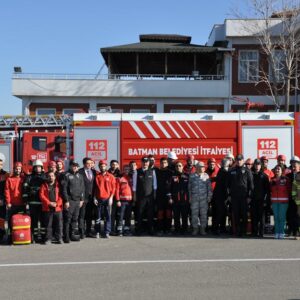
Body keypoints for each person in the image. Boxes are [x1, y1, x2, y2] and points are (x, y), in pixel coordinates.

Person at [227, 154, 253, 237]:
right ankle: (237, 231)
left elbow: (251, 185)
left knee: (244, 214)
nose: (239, 161)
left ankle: (244, 231)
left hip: (244, 197)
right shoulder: (231, 170)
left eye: (240, 160)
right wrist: (229, 195)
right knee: (236, 214)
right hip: (234, 197)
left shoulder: (247, 171)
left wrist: (249, 196)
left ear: (243, 160)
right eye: (237, 160)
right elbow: (228, 185)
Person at [23, 159, 46, 243]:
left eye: (39, 167)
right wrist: (26, 201)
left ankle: (43, 237)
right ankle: (35, 237)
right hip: (33, 202)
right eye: (36, 167)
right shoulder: (29, 177)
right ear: (33, 168)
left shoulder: (45, 176)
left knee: (43, 221)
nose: (37, 169)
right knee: (34, 221)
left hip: (43, 203)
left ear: (42, 167)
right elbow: (25, 190)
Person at [133, 156, 157, 235]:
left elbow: (155, 185)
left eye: (146, 162)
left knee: (150, 214)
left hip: (150, 197)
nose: (145, 163)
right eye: (143, 162)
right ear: (141, 162)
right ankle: (139, 230)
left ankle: (151, 230)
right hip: (140, 197)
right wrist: (135, 196)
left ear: (149, 163)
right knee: (140, 213)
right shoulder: (137, 172)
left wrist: (154, 195)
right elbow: (134, 186)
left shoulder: (152, 171)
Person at [62, 161, 85, 243]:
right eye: (73, 166)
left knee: (75, 219)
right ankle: (66, 236)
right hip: (70, 201)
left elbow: (82, 189)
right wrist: (66, 201)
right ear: (70, 166)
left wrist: (82, 199)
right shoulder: (67, 175)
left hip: (77, 201)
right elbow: (64, 189)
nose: (75, 167)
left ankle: (72, 235)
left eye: (76, 166)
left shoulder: (80, 176)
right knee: (68, 219)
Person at [188, 162, 212, 236]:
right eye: (201, 167)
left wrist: (209, 197)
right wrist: (190, 197)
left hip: (204, 200)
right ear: (197, 167)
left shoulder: (206, 176)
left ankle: (202, 229)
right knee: (194, 215)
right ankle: (195, 229)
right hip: (194, 199)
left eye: (203, 167)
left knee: (203, 215)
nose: (203, 168)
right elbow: (189, 188)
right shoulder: (192, 176)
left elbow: (209, 188)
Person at [39, 171, 63, 244]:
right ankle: (48, 239)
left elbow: (61, 196)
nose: (51, 177)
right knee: (48, 225)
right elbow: (41, 196)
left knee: (59, 224)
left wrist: (57, 204)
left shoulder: (58, 185)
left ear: (55, 177)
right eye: (49, 176)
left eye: (52, 176)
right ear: (47, 177)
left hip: (57, 208)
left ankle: (59, 238)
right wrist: (49, 203)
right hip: (47, 208)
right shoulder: (43, 185)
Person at [94, 160, 116, 238]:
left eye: (104, 166)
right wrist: (94, 198)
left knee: (107, 217)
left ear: (106, 166)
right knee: (98, 217)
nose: (102, 167)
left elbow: (113, 188)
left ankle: (107, 232)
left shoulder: (111, 176)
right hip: (99, 199)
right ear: (99, 167)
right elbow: (95, 188)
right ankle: (97, 232)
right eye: (101, 166)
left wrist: (111, 198)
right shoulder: (97, 176)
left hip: (107, 199)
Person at [5, 162, 25, 244]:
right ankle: (10, 238)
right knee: (10, 222)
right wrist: (8, 202)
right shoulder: (9, 179)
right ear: (14, 169)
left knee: (21, 222)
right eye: (16, 169)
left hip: (22, 204)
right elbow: (7, 191)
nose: (18, 170)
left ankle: (21, 237)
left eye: (19, 169)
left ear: (21, 170)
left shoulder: (23, 179)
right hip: (12, 204)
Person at [270, 165, 291, 239]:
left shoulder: (286, 179)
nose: (277, 170)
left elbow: (289, 190)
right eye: (276, 169)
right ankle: (276, 232)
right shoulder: (272, 180)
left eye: (279, 169)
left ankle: (282, 232)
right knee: (276, 218)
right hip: (274, 202)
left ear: (282, 170)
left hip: (284, 201)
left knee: (282, 218)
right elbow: (270, 191)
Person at [78, 157, 97, 238]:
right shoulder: (80, 172)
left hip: (91, 197)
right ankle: (81, 232)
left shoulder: (94, 172)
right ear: (84, 164)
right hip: (82, 198)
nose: (89, 165)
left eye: (90, 163)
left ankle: (88, 231)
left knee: (89, 216)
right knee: (82, 216)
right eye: (87, 163)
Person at [251, 159, 270, 237]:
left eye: (258, 164)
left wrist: (266, 200)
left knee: (261, 217)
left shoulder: (264, 175)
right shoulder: (251, 174)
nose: (257, 166)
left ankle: (261, 233)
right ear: (254, 165)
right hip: (253, 199)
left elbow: (267, 189)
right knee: (254, 216)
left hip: (261, 199)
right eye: (255, 164)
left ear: (260, 165)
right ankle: (254, 232)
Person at [170, 161, 189, 235]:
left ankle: (185, 229)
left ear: (182, 167)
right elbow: (169, 188)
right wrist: (170, 198)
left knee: (184, 216)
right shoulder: (172, 176)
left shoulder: (187, 175)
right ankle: (177, 229)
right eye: (177, 166)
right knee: (176, 216)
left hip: (184, 199)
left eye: (180, 166)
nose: (178, 167)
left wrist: (189, 198)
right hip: (175, 199)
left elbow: (190, 188)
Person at [211, 158, 229, 235]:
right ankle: (216, 229)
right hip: (221, 196)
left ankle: (221, 228)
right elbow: (225, 185)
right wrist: (228, 195)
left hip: (218, 195)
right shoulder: (224, 172)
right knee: (220, 213)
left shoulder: (221, 171)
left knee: (221, 212)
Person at [156, 157, 172, 235]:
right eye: (162, 163)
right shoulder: (157, 172)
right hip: (159, 197)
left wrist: (171, 197)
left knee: (168, 214)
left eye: (165, 163)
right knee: (160, 214)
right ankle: (160, 229)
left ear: (167, 163)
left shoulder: (171, 172)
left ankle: (168, 229)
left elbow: (173, 186)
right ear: (160, 163)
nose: (163, 164)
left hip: (168, 197)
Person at [115, 165, 133, 236]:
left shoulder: (132, 178)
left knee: (128, 216)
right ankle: (119, 230)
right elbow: (117, 190)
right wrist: (117, 200)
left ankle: (126, 230)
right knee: (120, 216)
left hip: (130, 201)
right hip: (122, 201)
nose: (127, 171)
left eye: (128, 169)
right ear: (123, 170)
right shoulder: (120, 178)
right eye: (125, 169)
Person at [286, 156, 300, 238]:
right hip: (290, 198)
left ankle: (297, 231)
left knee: (298, 216)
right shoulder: (288, 176)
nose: (294, 167)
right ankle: (291, 230)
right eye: (292, 166)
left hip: (299, 199)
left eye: (295, 166)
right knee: (290, 214)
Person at [108, 159, 122, 235]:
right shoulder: (107, 173)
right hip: (110, 197)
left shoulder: (121, 174)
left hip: (119, 197)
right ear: (110, 165)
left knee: (119, 214)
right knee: (111, 214)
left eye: (116, 164)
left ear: (118, 165)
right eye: (113, 164)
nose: (114, 166)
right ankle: (111, 229)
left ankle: (118, 229)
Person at [0, 157, 9, 242]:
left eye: (1, 164)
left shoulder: (5, 174)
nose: (0, 166)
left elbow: (6, 189)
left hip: (1, 201)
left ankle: (1, 235)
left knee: (2, 218)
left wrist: (2, 199)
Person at [291, 171, 300, 240]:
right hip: (298, 204)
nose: (297, 176)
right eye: (297, 175)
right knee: (298, 218)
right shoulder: (295, 182)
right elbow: (293, 193)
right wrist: (296, 200)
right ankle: (298, 233)